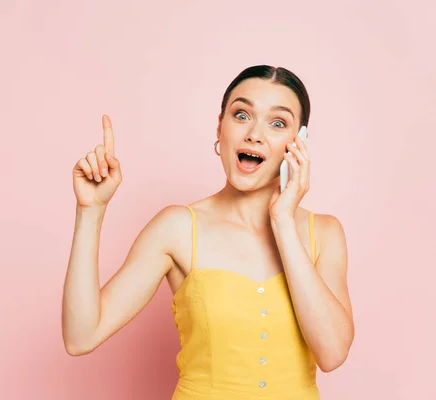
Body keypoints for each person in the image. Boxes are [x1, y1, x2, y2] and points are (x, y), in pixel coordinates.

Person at [61, 65, 355, 399]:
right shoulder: (177, 228)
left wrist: (283, 222)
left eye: (277, 123)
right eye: (242, 115)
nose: (255, 134)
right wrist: (90, 210)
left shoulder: (325, 234)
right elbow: (80, 337)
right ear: (220, 127)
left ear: (298, 142)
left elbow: (332, 354)